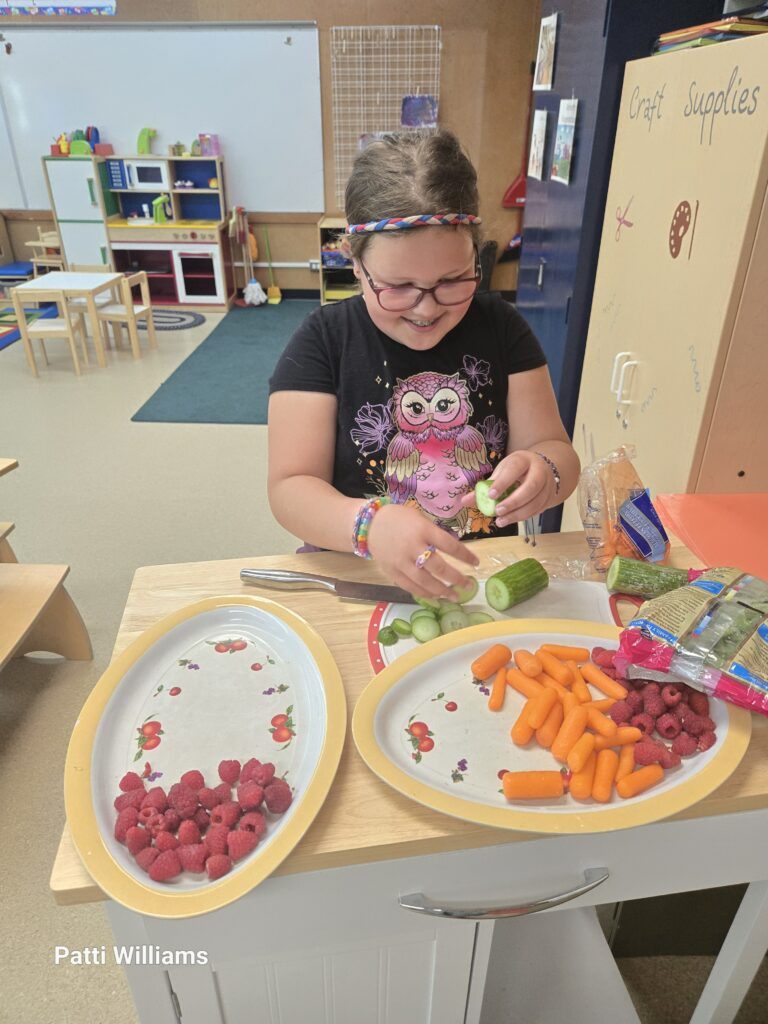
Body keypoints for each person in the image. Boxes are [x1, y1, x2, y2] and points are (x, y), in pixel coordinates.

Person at [268, 128, 579, 600]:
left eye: (452, 280)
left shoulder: (502, 327)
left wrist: (545, 471)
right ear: (356, 264)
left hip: (481, 577)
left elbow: (558, 452)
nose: (427, 308)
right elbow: (290, 488)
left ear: (476, 254)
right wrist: (369, 525)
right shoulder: (323, 341)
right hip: (362, 577)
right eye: (398, 287)